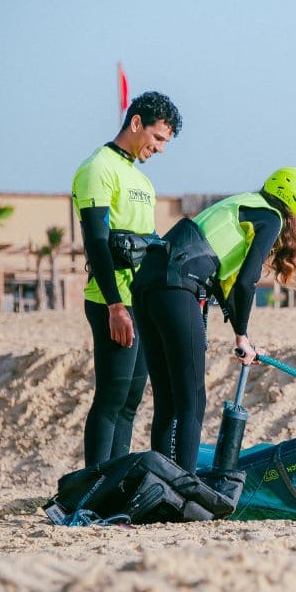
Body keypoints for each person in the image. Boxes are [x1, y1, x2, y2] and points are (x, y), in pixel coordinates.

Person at [130, 167, 296, 472]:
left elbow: (224, 286)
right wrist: (242, 337)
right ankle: (181, 484)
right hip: (177, 287)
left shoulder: (240, 204)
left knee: (168, 399)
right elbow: (246, 281)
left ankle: (161, 481)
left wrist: (242, 336)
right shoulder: (271, 217)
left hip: (146, 285)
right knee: (191, 401)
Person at [71, 91, 182, 466]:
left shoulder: (142, 181)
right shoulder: (98, 168)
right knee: (111, 397)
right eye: (158, 138)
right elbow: (97, 243)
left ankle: (112, 486)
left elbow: (144, 247)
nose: (161, 148)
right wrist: (115, 306)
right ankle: (93, 487)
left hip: (141, 302)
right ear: (137, 123)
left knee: (132, 399)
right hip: (111, 302)